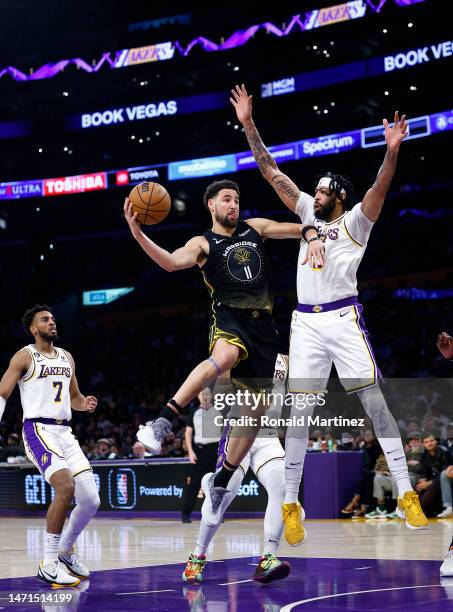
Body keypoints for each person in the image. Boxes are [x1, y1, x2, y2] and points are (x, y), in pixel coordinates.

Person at [231, 83, 429, 542]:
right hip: (305, 322)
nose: (312, 194)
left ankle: (405, 493)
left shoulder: (356, 221)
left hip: (342, 318)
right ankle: (292, 504)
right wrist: (247, 123)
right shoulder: (305, 215)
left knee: (373, 400)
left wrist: (391, 151)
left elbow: (381, 185)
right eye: (314, 190)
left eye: (321, 190)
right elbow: (269, 170)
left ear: (337, 195)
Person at [124, 180, 323, 524]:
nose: (234, 204)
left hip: (264, 329)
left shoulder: (255, 229)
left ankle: (222, 477)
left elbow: (296, 227)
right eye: (227, 199)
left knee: (256, 410)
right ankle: (160, 422)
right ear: (211, 205)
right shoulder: (203, 243)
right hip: (229, 319)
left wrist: (311, 236)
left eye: (237, 198)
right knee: (225, 357)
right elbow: (172, 263)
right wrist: (138, 234)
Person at [0, 304, 100, 587]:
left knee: (92, 500)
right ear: (33, 328)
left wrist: (85, 404)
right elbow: (3, 392)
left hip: (65, 433)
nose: (52, 322)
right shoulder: (25, 355)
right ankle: (48, 563)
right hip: (38, 430)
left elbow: (75, 398)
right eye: (45, 320)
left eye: (53, 318)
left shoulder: (67, 357)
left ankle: (66, 552)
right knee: (65, 486)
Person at [183, 426, 288, 584]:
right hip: (239, 428)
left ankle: (268, 559)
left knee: (281, 489)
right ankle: (196, 558)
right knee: (222, 496)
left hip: (266, 432)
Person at [181, 388, 221, 523]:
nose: (205, 396)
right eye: (202, 394)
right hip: (199, 451)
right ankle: (186, 515)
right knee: (194, 484)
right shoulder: (193, 413)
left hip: (215, 450)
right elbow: (188, 433)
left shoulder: (218, 411)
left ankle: (214, 514)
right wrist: (191, 452)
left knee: (215, 484)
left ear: (211, 396)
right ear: (198, 396)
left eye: (207, 394)